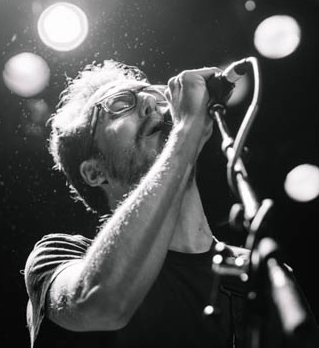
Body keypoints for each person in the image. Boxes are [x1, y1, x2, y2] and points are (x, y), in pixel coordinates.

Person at [22, 60, 249, 348]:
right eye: (120, 104)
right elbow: (102, 304)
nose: (150, 103)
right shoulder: (58, 257)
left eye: (153, 95)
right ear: (95, 171)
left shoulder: (257, 273)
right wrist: (185, 133)